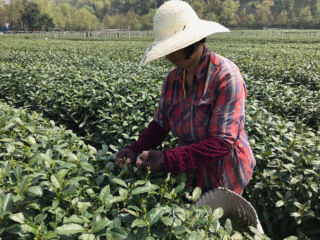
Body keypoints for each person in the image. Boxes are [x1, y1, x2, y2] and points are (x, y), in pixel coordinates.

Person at [115, 0, 256, 195]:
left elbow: (221, 143)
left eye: (174, 46)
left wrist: (167, 160)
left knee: (221, 220)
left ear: (193, 42)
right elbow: (160, 125)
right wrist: (135, 149)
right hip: (190, 169)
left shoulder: (225, 76)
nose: (168, 55)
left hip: (224, 171)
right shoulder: (172, 79)